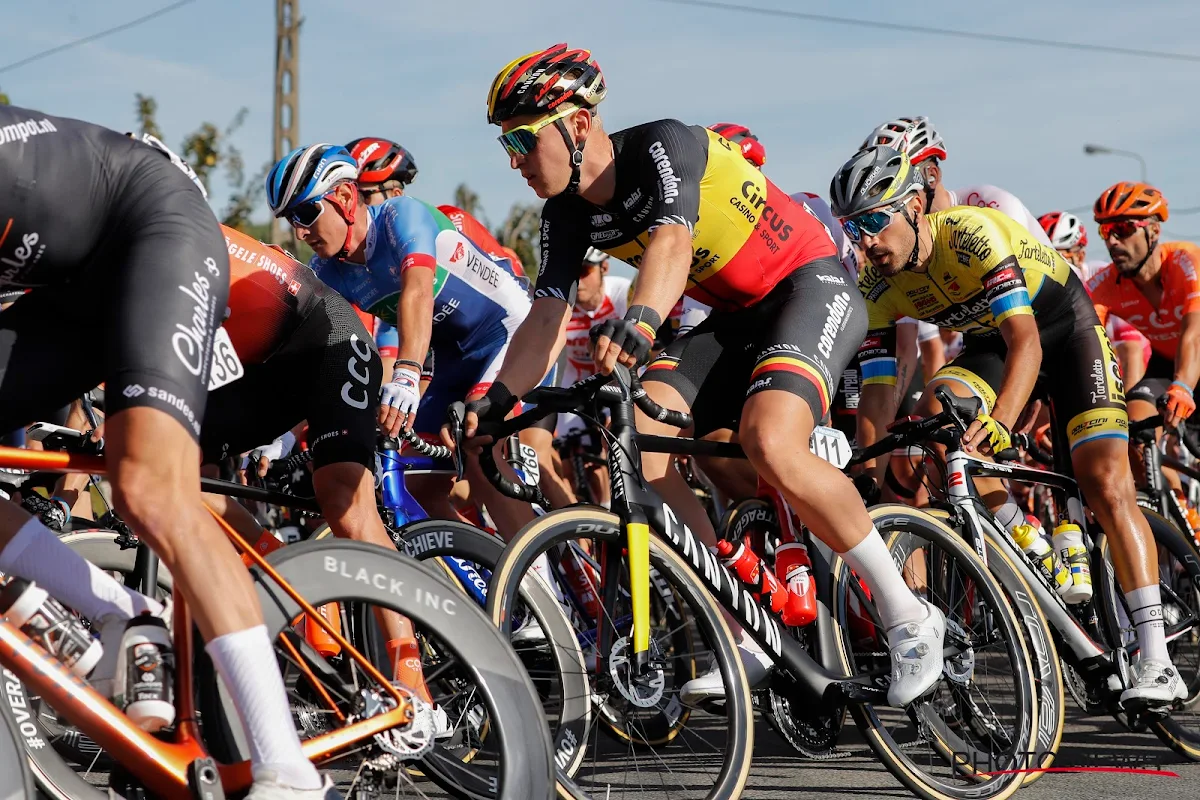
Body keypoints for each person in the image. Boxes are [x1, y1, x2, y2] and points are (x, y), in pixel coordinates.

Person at [474, 43, 947, 707]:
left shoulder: (662, 147)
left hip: (806, 283)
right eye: (507, 147)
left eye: (523, 140)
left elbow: (670, 243)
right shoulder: (565, 214)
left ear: (579, 125)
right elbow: (545, 320)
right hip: (737, 317)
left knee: (770, 440)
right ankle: (744, 622)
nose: (516, 161)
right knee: (635, 436)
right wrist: (496, 400)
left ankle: (909, 616)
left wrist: (638, 322)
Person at [0, 105, 338, 797]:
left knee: (151, 489)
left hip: (153, 228)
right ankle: (120, 613)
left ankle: (287, 768)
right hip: (69, 293)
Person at [837, 146, 1186, 708]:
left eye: (875, 222)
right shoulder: (876, 283)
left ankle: (1158, 658)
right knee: (933, 413)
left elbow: (1027, 340)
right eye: (853, 229)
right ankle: (1019, 530)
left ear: (912, 209)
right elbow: (878, 392)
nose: (865, 242)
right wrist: (870, 467)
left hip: (1063, 336)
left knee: (1104, 484)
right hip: (991, 347)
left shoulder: (972, 234)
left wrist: (1000, 423)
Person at [265, 144, 544, 538]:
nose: (299, 230)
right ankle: (485, 569)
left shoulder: (400, 216)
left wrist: (407, 374)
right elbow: (320, 354)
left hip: (510, 333)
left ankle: (544, 591)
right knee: (418, 488)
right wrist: (283, 433)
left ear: (345, 198)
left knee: (479, 452)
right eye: (290, 219)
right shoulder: (327, 270)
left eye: (306, 213)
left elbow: (417, 292)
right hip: (454, 359)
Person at [1085, 183, 1200, 501]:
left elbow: (1194, 333)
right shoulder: (1105, 284)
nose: (1112, 241)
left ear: (1153, 230)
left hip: (1194, 356)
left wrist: (1184, 386)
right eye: (1105, 231)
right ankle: (1180, 520)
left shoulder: (1186, 260)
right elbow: (1081, 342)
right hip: (1165, 365)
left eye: (1122, 229)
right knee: (1134, 429)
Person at [1039, 210, 1150, 386]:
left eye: (1057, 257)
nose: (1048, 266)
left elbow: (1132, 352)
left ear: (1080, 256)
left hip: (1134, 370)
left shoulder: (1103, 279)